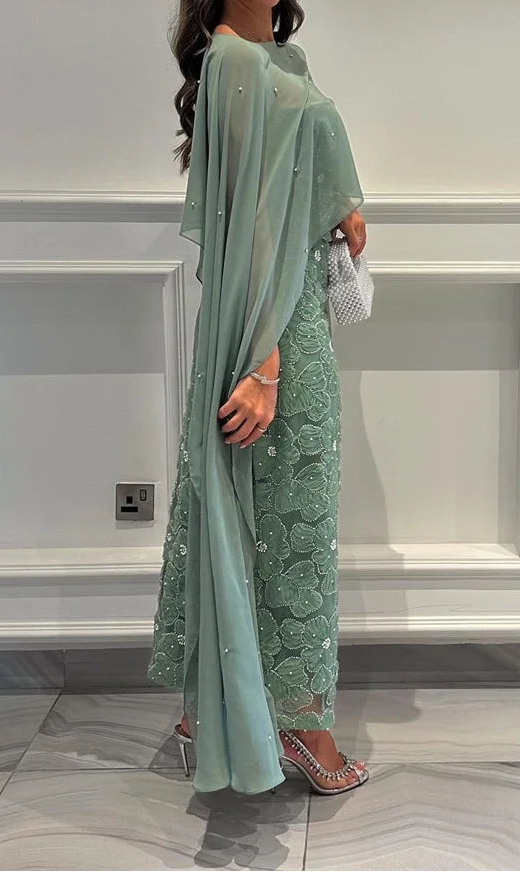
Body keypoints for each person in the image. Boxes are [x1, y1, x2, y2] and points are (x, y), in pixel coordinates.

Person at [147, 0, 369, 796]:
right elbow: (250, 229)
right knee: (291, 525)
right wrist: (264, 363)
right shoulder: (235, 63)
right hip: (270, 333)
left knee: (277, 516)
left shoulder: (277, 60)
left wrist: (342, 210)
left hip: (291, 318)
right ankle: (304, 728)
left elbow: (288, 192)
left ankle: (211, 708)